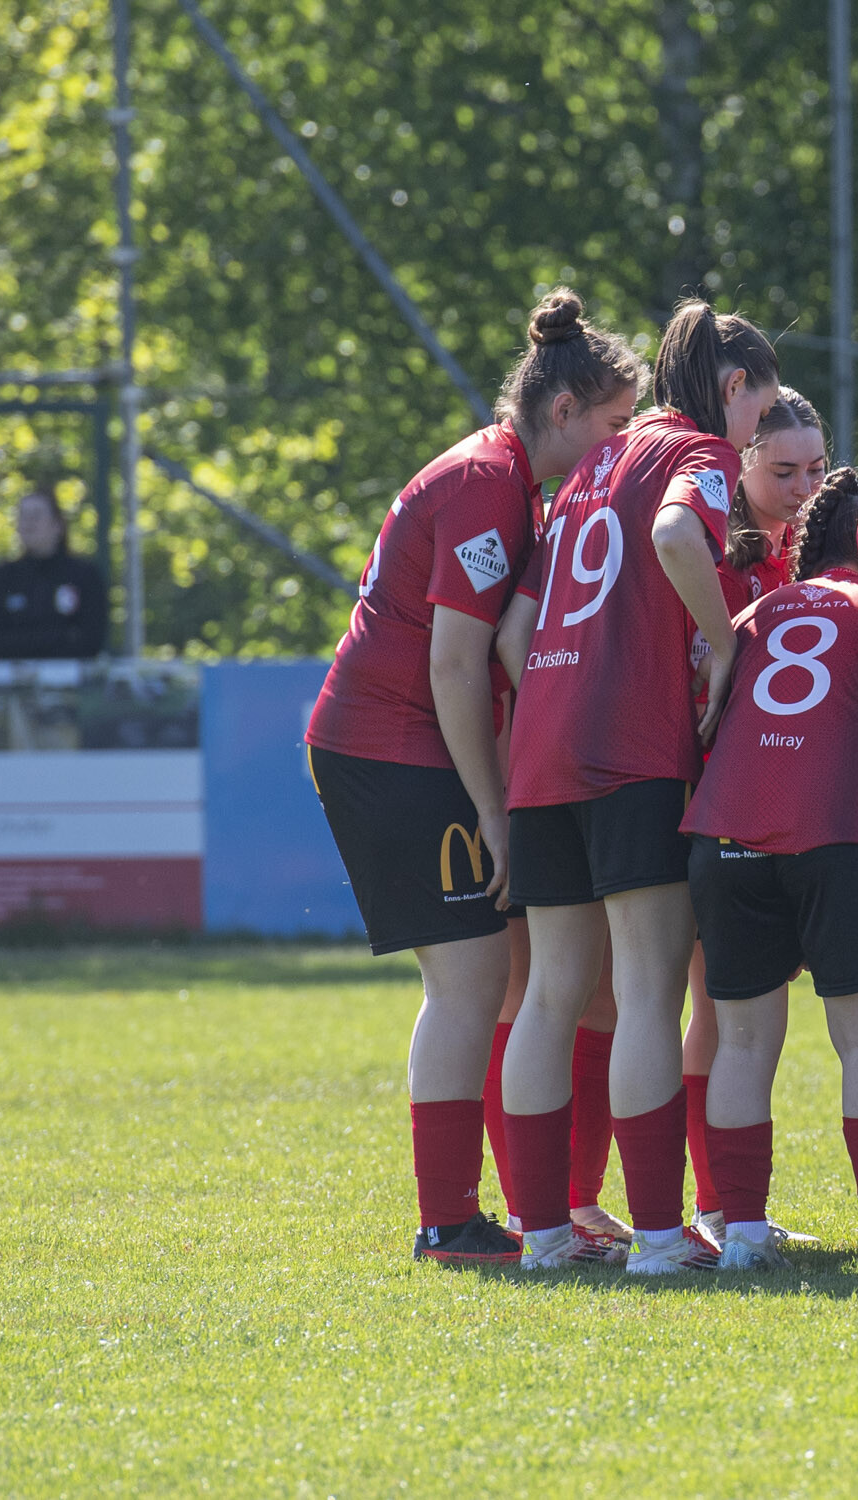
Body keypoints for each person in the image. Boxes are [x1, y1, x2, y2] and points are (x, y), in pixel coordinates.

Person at [304, 288, 644, 1266]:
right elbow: (456, 663)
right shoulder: (490, 484)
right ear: (563, 409)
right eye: (614, 423)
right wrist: (496, 813)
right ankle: (449, 1222)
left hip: (401, 744)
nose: (621, 443)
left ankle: (510, 1210)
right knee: (469, 982)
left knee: (494, 980)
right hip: (392, 746)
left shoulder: (504, 476)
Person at [497, 298, 779, 1276]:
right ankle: (659, 1237)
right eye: (759, 412)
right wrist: (724, 645)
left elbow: (513, 630)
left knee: (550, 996)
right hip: (632, 750)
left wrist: (561, 695)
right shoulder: (696, 451)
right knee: (649, 994)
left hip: (544, 751)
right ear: (734, 388)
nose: (751, 437)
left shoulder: (591, 463)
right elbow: (673, 536)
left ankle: (541, 1234)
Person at [681, 468, 858, 1272]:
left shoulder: (756, 611)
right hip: (841, 830)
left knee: (741, 1044)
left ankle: (742, 1236)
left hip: (726, 835)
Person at [682, 387, 831, 1244]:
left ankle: (726, 1209)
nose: (804, 487)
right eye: (784, 471)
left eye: (817, 469)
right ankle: (713, 1207)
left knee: (737, 1015)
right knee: (714, 1012)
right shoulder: (714, 561)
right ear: (739, 466)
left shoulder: (799, 559)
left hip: (775, 815)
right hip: (713, 811)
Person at [0, 489, 107, 659]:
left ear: (58, 525)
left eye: (36, 516)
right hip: (14, 675)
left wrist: (26, 641)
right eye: (23, 516)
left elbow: (90, 640)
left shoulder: (84, 575)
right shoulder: (4, 577)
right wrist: (59, 637)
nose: (28, 523)